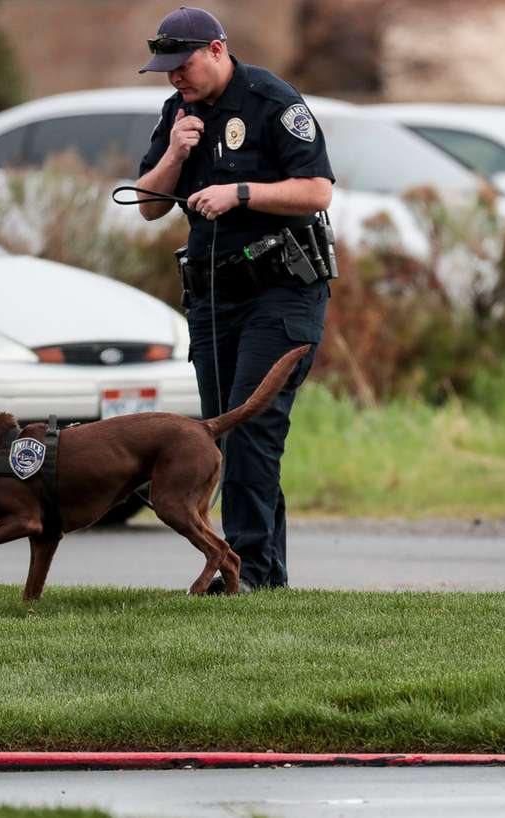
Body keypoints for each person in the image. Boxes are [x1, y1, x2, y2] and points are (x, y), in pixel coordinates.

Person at [134, 6, 335, 592]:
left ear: (218, 50)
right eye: (166, 69)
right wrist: (175, 153)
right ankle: (260, 573)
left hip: (282, 292)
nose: (175, 77)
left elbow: (318, 188)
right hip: (215, 298)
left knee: (252, 431)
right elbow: (147, 205)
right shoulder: (178, 114)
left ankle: (243, 573)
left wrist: (240, 193)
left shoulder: (273, 101)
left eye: (184, 64)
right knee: (220, 436)